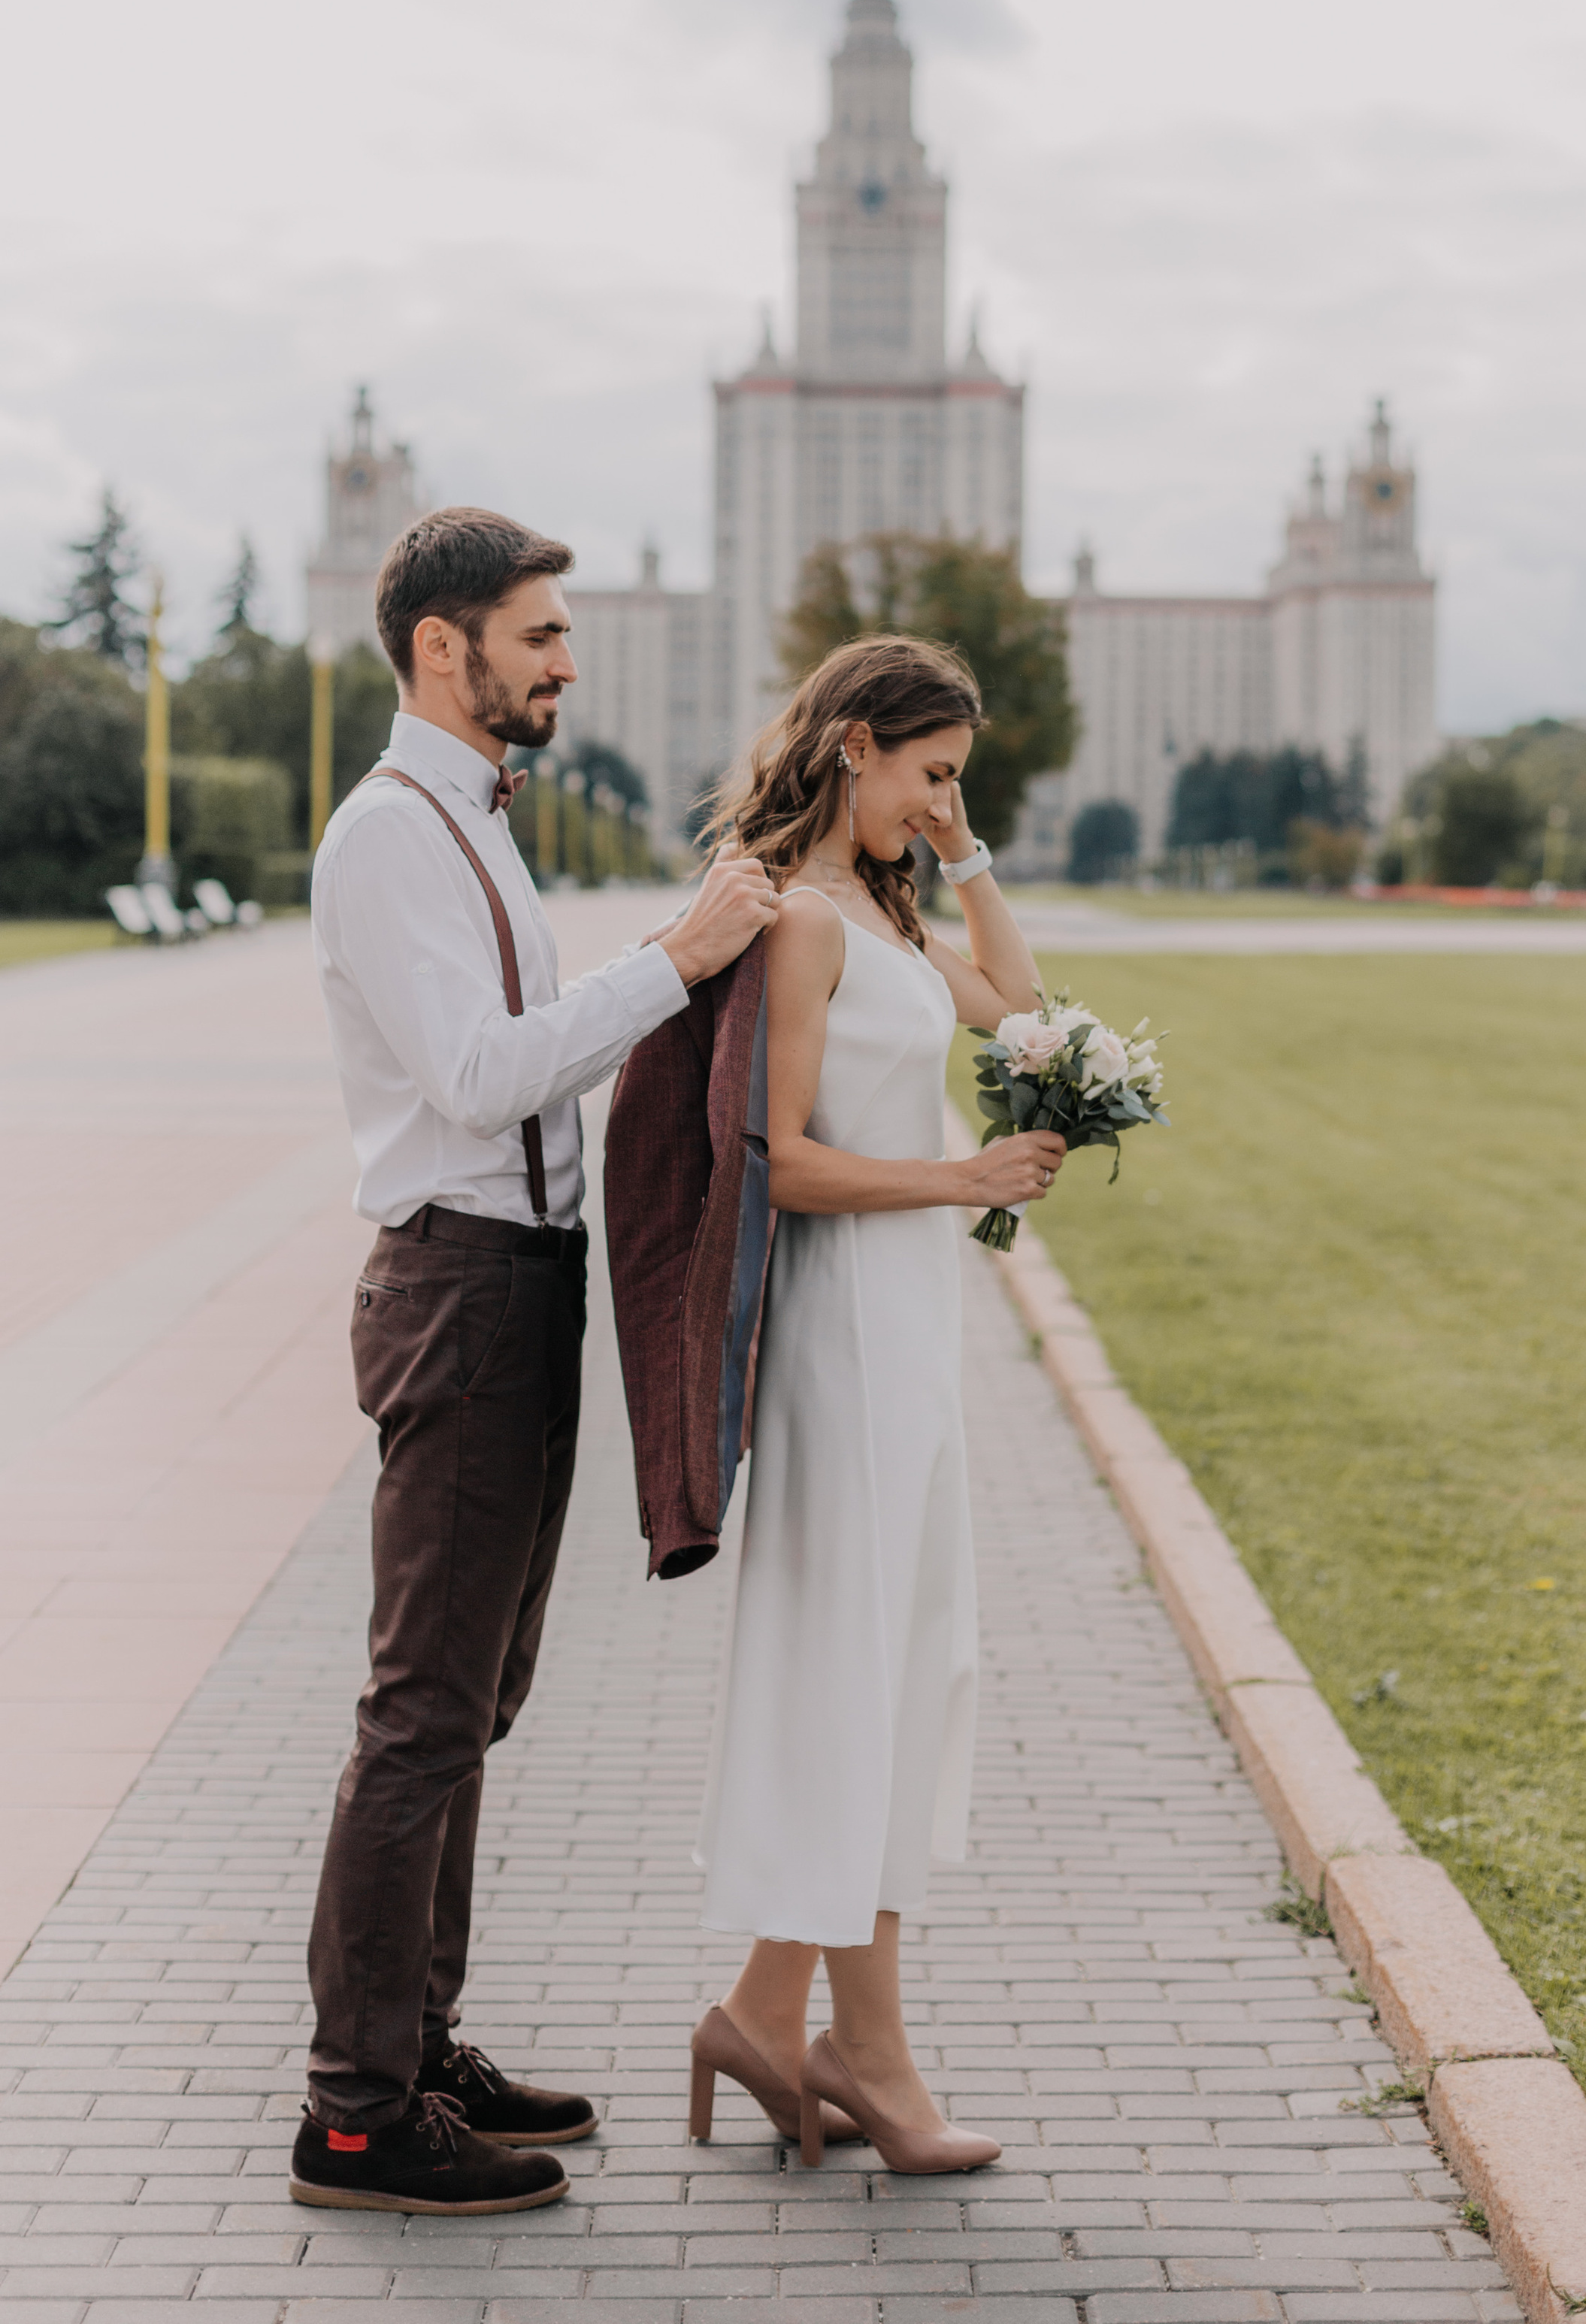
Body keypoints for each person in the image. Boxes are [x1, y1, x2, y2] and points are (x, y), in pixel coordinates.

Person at [292, 506, 778, 2218]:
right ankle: (355, 2111)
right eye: (541, 634)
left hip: (520, 1285)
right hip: (457, 1289)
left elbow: (524, 1049)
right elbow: (485, 1077)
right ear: (446, 644)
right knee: (422, 1706)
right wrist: (678, 958)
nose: (567, 660)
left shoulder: (471, 823)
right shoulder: (385, 838)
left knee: (478, 1696)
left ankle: (419, 2042)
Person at [688, 634, 1066, 2174]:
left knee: (913, 1666)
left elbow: (1023, 1020)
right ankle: (871, 2055)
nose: (940, 803)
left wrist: (968, 856)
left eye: (955, 782)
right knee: (856, 1677)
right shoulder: (797, 924)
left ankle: (765, 2020)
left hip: (912, 1329)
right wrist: (957, 1177)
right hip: (842, 1335)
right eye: (930, 774)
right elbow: (775, 1158)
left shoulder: (894, 918)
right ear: (853, 746)